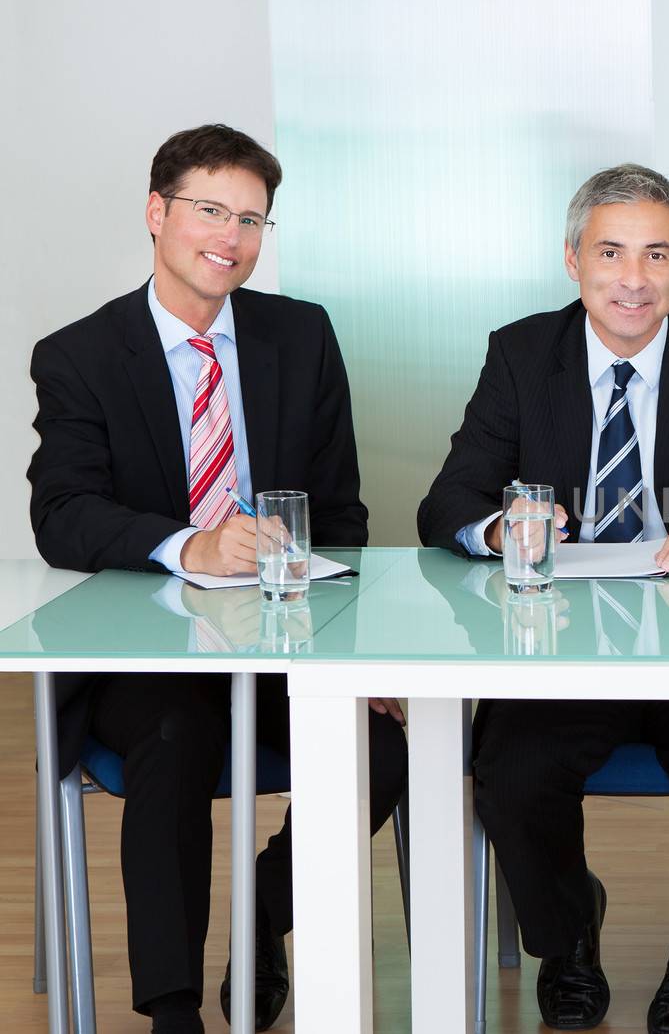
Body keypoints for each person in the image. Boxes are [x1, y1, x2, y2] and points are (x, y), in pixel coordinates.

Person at [416, 163, 669, 1034]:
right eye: (611, 253)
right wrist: (503, 528)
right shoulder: (521, 354)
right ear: (573, 260)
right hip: (567, 647)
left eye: (657, 254)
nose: (634, 279)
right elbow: (445, 504)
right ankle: (568, 939)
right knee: (512, 772)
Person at [26, 124, 409, 1034]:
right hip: (144, 656)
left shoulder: (301, 335)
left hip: (285, 638)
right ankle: (173, 1009)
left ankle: (263, 921)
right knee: (173, 733)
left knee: (389, 747)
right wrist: (187, 546)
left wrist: (363, 655)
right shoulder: (79, 354)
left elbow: (343, 518)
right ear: (157, 213)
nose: (229, 238)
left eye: (251, 219)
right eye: (209, 210)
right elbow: (63, 514)